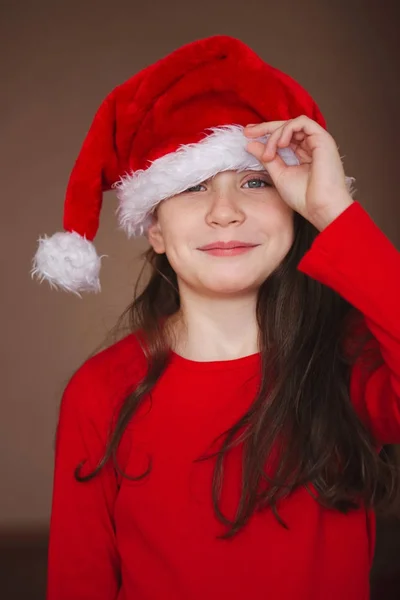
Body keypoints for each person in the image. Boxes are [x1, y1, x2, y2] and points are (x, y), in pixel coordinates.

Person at [32, 35, 400, 600]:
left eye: (254, 181)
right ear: (154, 229)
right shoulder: (99, 393)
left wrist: (335, 213)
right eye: (190, 187)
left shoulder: (349, 363)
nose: (224, 212)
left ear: (294, 207)